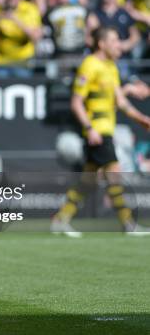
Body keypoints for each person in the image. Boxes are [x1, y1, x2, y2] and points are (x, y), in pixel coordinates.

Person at [51, 27, 150, 238]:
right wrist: (88, 128)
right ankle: (128, 224)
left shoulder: (111, 67)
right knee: (114, 174)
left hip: (106, 130)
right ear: (101, 44)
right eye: (114, 40)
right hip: (97, 132)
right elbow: (76, 102)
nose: (119, 44)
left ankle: (61, 219)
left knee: (89, 180)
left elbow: (120, 102)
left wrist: (141, 119)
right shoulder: (89, 65)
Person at [87, 0, 140, 79]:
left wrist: (125, 44)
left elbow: (135, 35)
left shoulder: (124, 13)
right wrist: (106, 48)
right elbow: (88, 38)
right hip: (103, 60)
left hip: (122, 58)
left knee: (125, 81)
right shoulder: (94, 15)